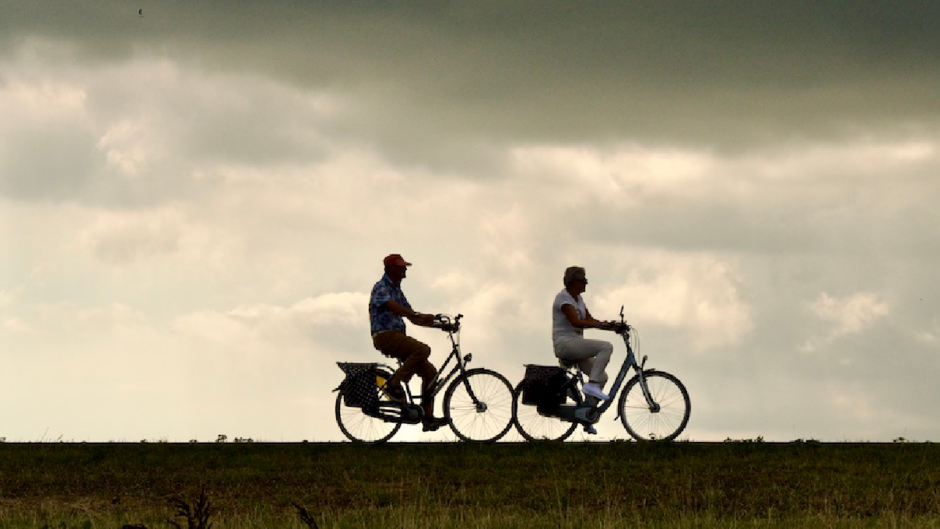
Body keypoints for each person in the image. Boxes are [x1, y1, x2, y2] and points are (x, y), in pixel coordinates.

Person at [369, 253, 449, 432]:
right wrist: (415, 315)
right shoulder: (381, 287)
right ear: (392, 269)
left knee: (430, 373)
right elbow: (396, 308)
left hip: (397, 337)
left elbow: (412, 316)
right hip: (385, 336)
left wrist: (438, 324)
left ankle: (427, 419)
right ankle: (394, 383)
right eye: (401, 266)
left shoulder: (397, 290)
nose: (405, 269)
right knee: (423, 350)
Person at [552, 266, 617, 435]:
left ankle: (586, 415)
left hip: (576, 344)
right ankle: (592, 385)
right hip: (566, 344)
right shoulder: (563, 299)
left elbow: (589, 319)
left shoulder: (578, 299)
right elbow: (575, 322)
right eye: (583, 280)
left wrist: (610, 326)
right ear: (574, 282)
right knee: (606, 347)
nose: (586, 283)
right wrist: (597, 325)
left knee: (602, 376)